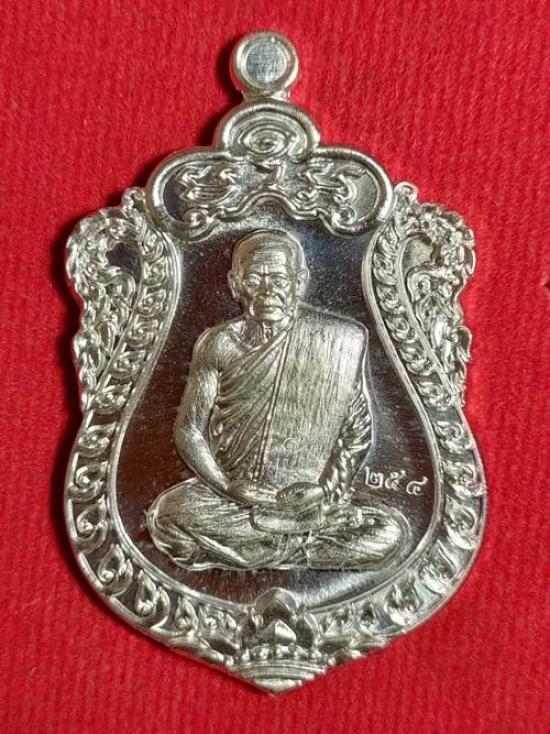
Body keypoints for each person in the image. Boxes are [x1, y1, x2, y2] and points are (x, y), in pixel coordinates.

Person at [147, 230, 408, 569]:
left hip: (308, 501)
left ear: (299, 283)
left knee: (387, 534)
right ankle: (292, 548)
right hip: (236, 500)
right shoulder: (218, 344)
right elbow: (189, 431)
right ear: (235, 285)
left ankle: (257, 549)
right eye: (255, 279)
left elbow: (357, 432)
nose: (268, 291)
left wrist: (326, 490)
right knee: (167, 515)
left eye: (280, 280)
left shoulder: (339, 340)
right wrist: (226, 485)